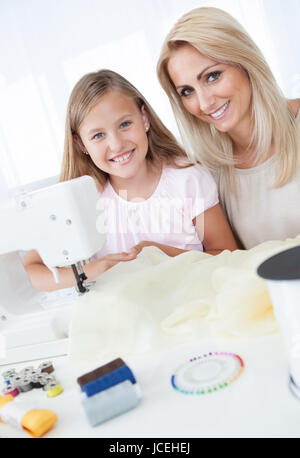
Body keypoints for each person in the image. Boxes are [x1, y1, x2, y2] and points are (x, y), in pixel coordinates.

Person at [24, 69, 237, 292]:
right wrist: (89, 272)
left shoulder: (188, 181)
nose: (116, 144)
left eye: (125, 124)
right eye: (98, 135)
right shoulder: (83, 202)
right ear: (81, 144)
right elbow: (33, 270)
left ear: (144, 117)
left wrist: (158, 254)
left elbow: (228, 256)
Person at [157, 6, 300, 249]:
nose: (203, 103)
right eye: (187, 91)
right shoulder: (209, 173)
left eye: (212, 76)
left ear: (244, 62)